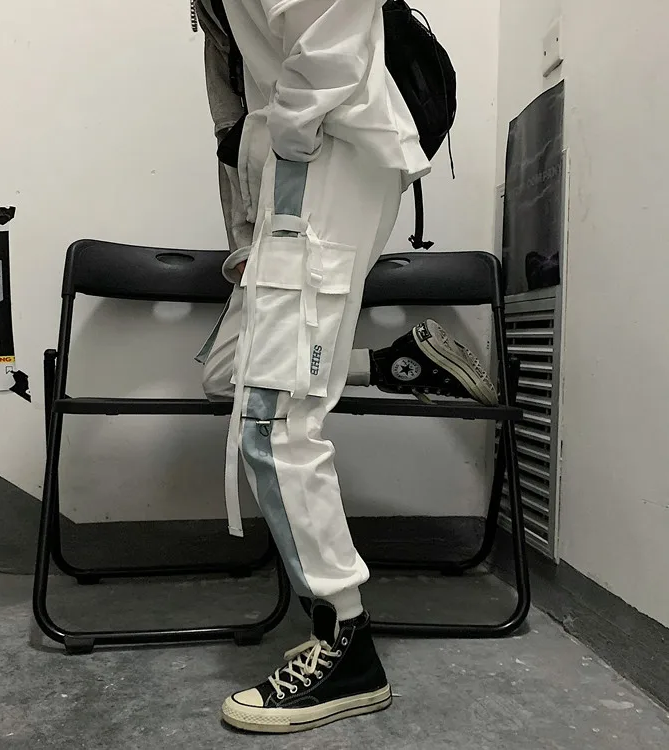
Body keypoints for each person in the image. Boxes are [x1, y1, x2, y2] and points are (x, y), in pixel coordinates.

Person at [193, 0, 495, 733]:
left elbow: (328, 28)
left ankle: (345, 643)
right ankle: (399, 362)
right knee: (233, 376)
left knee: (273, 420)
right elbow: (239, 89)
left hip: (320, 147)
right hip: (301, 158)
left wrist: (290, 142)